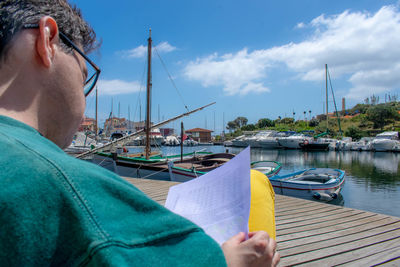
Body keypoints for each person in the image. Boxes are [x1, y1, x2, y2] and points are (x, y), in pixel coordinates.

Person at [0, 0, 280, 266]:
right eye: (85, 75)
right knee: (254, 182)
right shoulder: (66, 185)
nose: (84, 100)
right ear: (48, 41)